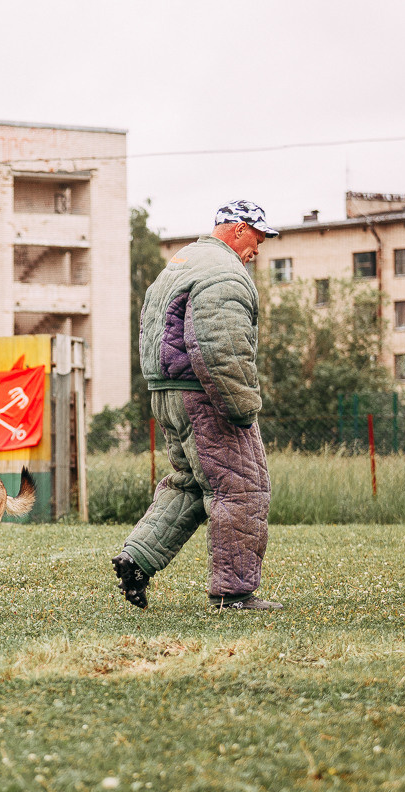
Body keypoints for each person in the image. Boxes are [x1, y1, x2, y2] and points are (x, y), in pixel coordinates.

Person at [111, 200, 283, 611]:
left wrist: (164, 388)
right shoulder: (224, 272)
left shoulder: (181, 263)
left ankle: (136, 558)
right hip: (204, 395)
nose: (256, 251)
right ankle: (234, 594)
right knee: (242, 489)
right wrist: (242, 405)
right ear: (239, 229)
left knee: (191, 484)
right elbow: (219, 345)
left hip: (167, 392)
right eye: (257, 239)